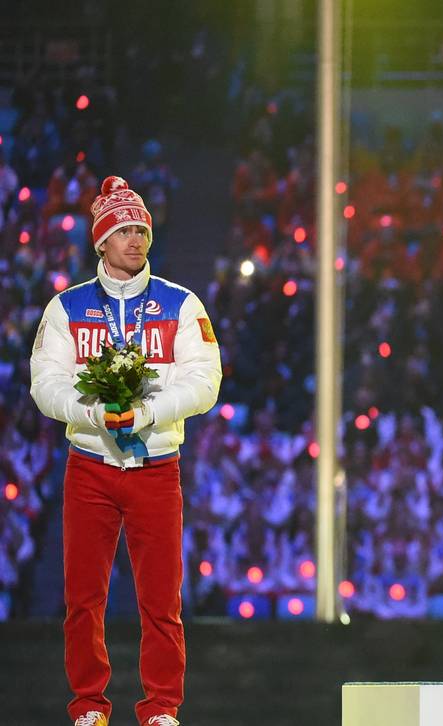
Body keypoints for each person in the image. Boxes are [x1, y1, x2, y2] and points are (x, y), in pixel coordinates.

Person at [30, 177, 222, 726]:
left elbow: (205, 382)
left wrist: (147, 413)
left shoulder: (181, 304)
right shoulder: (67, 308)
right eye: (123, 230)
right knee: (82, 598)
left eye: (141, 229)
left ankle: (161, 706)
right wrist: (91, 413)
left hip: (157, 467)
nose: (135, 239)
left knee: (162, 601)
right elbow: (45, 383)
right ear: (101, 241)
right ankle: (89, 705)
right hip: (89, 466)